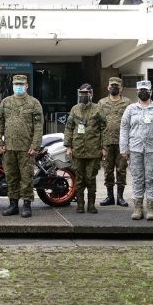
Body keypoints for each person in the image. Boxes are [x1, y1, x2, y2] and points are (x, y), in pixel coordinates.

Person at [119, 80, 153, 221]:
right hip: (134, 149)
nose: (143, 92)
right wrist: (123, 148)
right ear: (137, 92)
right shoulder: (130, 109)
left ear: (151, 92)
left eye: (146, 90)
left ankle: (151, 209)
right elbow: (124, 129)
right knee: (137, 179)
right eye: (141, 90)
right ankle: (137, 208)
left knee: (151, 179)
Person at [0, 74, 43, 218]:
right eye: (16, 84)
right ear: (13, 86)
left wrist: (35, 145)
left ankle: (27, 204)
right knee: (11, 176)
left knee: (27, 177)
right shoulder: (5, 102)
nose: (18, 87)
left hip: (26, 148)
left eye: (21, 84)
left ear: (27, 86)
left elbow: (39, 126)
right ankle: (13, 204)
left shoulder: (34, 103)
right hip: (8, 148)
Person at [63, 83, 107, 214]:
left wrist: (104, 147)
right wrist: (68, 146)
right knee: (80, 179)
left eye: (86, 93)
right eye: (81, 93)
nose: (83, 96)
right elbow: (69, 128)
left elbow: (104, 128)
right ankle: (80, 204)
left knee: (90, 178)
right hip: (78, 149)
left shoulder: (98, 109)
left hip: (93, 150)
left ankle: (91, 204)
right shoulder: (75, 109)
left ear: (91, 94)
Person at [97, 77, 132, 208]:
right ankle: (110, 196)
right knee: (107, 170)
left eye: (116, 86)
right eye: (112, 85)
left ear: (121, 88)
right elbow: (98, 124)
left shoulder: (127, 102)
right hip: (106, 142)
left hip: (122, 142)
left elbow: (130, 123)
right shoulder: (101, 103)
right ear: (108, 87)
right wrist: (100, 145)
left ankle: (120, 197)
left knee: (122, 170)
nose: (114, 88)